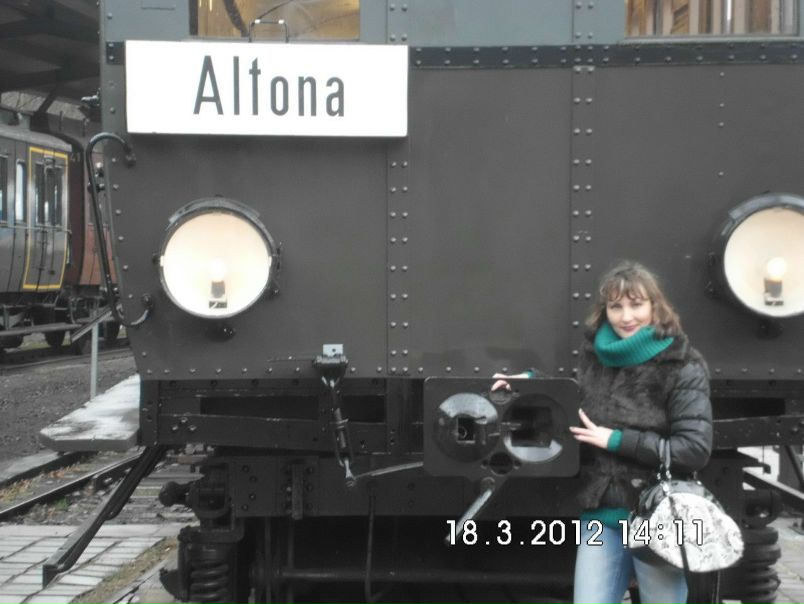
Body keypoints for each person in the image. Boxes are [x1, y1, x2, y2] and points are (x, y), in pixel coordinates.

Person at [493, 260, 713, 604]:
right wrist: (527, 383)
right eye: (616, 306)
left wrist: (616, 440)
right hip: (601, 513)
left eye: (636, 305)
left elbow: (694, 449)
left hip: (656, 516)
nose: (626, 316)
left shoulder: (682, 364)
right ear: (605, 311)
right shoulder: (595, 359)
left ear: (655, 307)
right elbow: (571, 396)